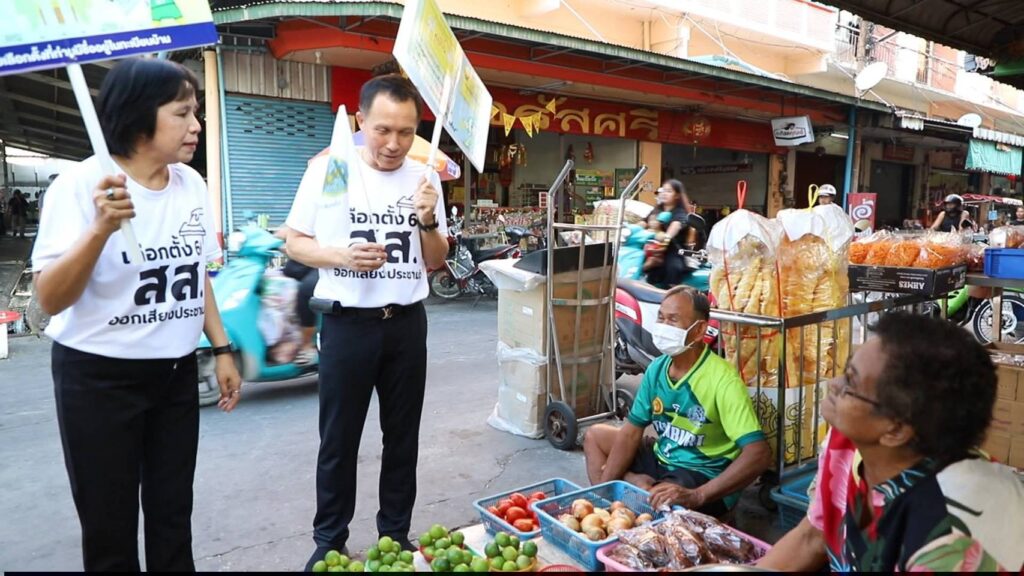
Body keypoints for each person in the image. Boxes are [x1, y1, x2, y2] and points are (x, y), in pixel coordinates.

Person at [30, 58, 242, 572]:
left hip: (174, 374)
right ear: (138, 115)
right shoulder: (80, 186)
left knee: (173, 516)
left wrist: (221, 348)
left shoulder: (191, 185)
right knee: (109, 527)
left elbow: (195, 273)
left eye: (196, 112)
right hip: (98, 379)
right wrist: (99, 229)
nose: (196, 125)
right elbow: (50, 299)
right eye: (182, 113)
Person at [285, 74, 448, 568]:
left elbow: (436, 259)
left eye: (406, 132)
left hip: (406, 325)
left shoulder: (424, 180)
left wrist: (427, 219)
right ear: (361, 121)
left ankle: (395, 533)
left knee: (402, 437)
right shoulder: (332, 170)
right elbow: (295, 242)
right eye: (383, 130)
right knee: (339, 438)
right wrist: (341, 256)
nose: (394, 143)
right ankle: (329, 539)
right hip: (347, 326)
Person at [758, 313, 1024, 572]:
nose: (834, 384)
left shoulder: (949, 538)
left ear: (895, 429)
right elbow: (813, 538)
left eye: (851, 381)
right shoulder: (849, 443)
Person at [583, 287, 771, 517]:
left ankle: (638, 494)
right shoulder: (657, 368)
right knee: (595, 436)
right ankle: (611, 505)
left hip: (701, 471)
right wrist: (603, 495)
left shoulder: (723, 380)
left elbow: (759, 454)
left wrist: (698, 495)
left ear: (699, 330)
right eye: (661, 318)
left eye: (673, 320)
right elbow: (631, 432)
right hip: (665, 454)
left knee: (660, 497)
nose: (663, 326)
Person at [645, 180, 707, 287]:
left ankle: (669, 291)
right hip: (652, 248)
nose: (664, 193)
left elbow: (676, 225)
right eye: (663, 190)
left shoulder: (680, 212)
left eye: (669, 191)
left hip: (673, 250)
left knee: (673, 268)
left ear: (677, 195)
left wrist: (667, 236)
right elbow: (644, 222)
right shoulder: (657, 210)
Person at [276, 225, 318, 364]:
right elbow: (287, 229)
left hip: (328, 261)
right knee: (276, 281)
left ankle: (307, 344)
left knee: (307, 289)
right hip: (308, 258)